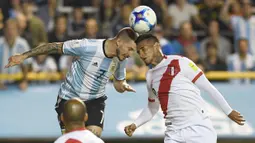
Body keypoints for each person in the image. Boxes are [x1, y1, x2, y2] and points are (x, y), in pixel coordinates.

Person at [5, 27, 137, 137]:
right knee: (74, 138)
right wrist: (24, 56)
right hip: (69, 99)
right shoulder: (87, 46)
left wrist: (123, 85)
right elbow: (54, 47)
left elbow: (119, 83)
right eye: (130, 49)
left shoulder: (121, 59)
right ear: (119, 42)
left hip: (95, 101)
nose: (130, 54)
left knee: (92, 138)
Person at [124, 34, 245, 143]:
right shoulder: (149, 76)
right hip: (173, 133)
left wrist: (228, 111)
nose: (141, 55)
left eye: (144, 49)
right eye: (138, 52)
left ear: (156, 46)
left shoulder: (180, 62)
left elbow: (209, 88)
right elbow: (152, 108)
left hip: (198, 128)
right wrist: (135, 124)